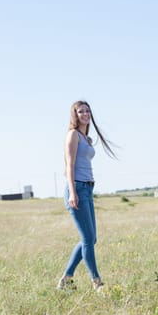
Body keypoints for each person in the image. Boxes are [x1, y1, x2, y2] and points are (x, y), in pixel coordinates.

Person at [57, 100, 117, 292]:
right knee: (88, 239)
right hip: (77, 189)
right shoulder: (72, 135)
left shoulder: (86, 138)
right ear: (74, 114)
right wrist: (73, 193)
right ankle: (97, 282)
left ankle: (66, 279)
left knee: (91, 239)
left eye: (87, 111)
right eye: (81, 111)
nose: (85, 114)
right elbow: (69, 166)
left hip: (88, 189)